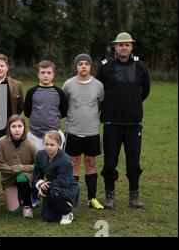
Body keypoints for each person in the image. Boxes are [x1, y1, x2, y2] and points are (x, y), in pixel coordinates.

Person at [95, 32, 150, 209]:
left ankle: (134, 196)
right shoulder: (106, 66)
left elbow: (146, 90)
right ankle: (109, 196)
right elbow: (97, 91)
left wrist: (132, 104)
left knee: (133, 160)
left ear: (131, 47)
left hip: (133, 123)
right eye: (120, 45)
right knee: (110, 160)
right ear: (115, 47)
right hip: (111, 122)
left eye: (127, 45)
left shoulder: (140, 66)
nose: (124, 48)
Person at [62, 53, 105, 210]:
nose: (83, 66)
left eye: (86, 64)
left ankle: (92, 198)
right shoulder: (68, 84)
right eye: (80, 64)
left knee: (90, 163)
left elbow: (99, 105)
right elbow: (64, 104)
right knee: (73, 163)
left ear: (90, 66)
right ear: (76, 66)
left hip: (92, 131)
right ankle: (72, 198)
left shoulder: (99, 85)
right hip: (73, 130)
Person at [24, 60, 68, 208]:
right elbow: (28, 112)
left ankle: (55, 193)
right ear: (38, 74)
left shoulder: (59, 92)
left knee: (56, 166)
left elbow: (63, 111)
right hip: (35, 135)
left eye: (48, 72)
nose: (45, 75)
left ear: (53, 74)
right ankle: (34, 195)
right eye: (42, 72)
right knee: (36, 165)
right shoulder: (32, 92)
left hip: (54, 135)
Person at [0, 115, 38, 218]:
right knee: (13, 210)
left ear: (24, 127)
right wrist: (13, 169)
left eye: (20, 126)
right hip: (9, 179)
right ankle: (19, 196)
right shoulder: (1, 142)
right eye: (13, 126)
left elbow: (38, 165)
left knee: (22, 178)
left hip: (25, 177)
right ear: (9, 128)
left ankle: (27, 207)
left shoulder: (30, 144)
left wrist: (22, 168)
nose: (17, 130)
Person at [33, 131, 79, 225]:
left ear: (59, 145)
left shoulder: (66, 160)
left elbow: (64, 182)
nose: (49, 147)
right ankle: (58, 209)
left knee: (54, 192)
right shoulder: (40, 155)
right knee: (48, 218)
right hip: (50, 187)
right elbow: (36, 174)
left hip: (66, 188)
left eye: (52, 144)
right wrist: (40, 183)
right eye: (46, 144)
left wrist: (45, 189)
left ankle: (67, 212)